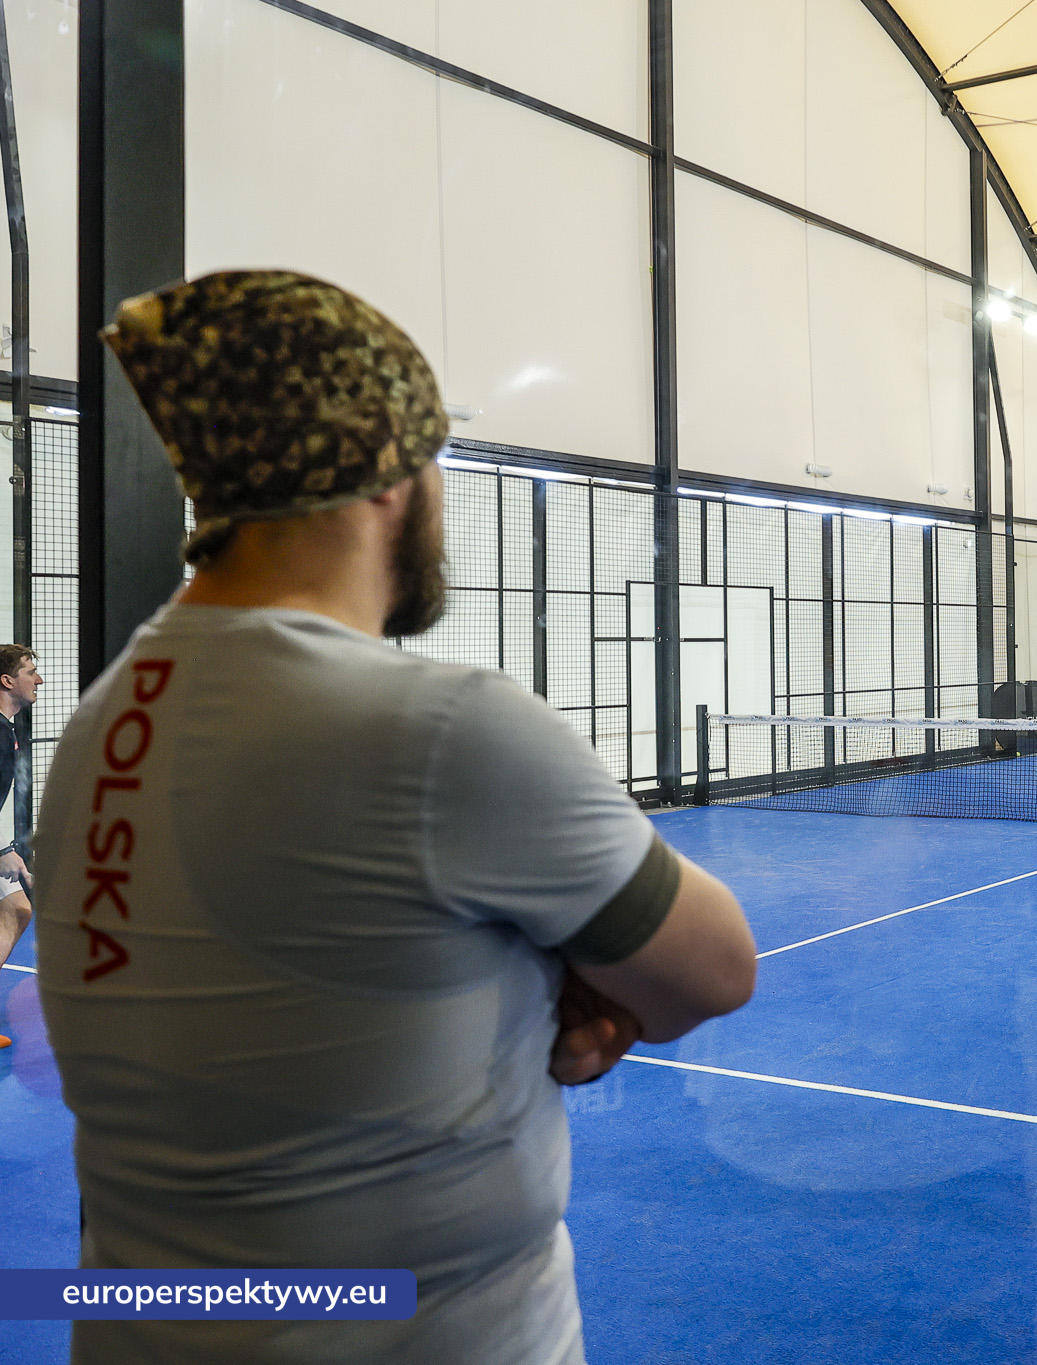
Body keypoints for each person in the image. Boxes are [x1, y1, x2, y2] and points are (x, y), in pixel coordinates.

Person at [39, 271, 758, 1364]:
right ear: (387, 475)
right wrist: (568, 983)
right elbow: (714, 970)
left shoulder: (100, 725)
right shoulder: (443, 730)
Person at [0, 644, 40, 1050]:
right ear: (7, 681)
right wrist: (1, 852)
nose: (38, 680)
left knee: (18, 909)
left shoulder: (6, 729)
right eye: (30, 672)